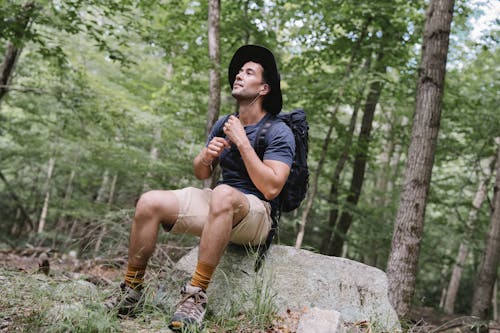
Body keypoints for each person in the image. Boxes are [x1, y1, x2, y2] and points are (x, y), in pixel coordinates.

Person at [107, 44, 295, 331]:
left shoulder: (279, 131)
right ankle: (131, 290)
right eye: (238, 72)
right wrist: (206, 156)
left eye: (249, 72)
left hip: (257, 215)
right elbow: (200, 172)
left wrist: (243, 142)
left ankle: (194, 296)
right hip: (220, 204)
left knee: (222, 194)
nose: (239, 76)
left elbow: (271, 188)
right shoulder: (224, 123)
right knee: (149, 202)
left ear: (264, 88)